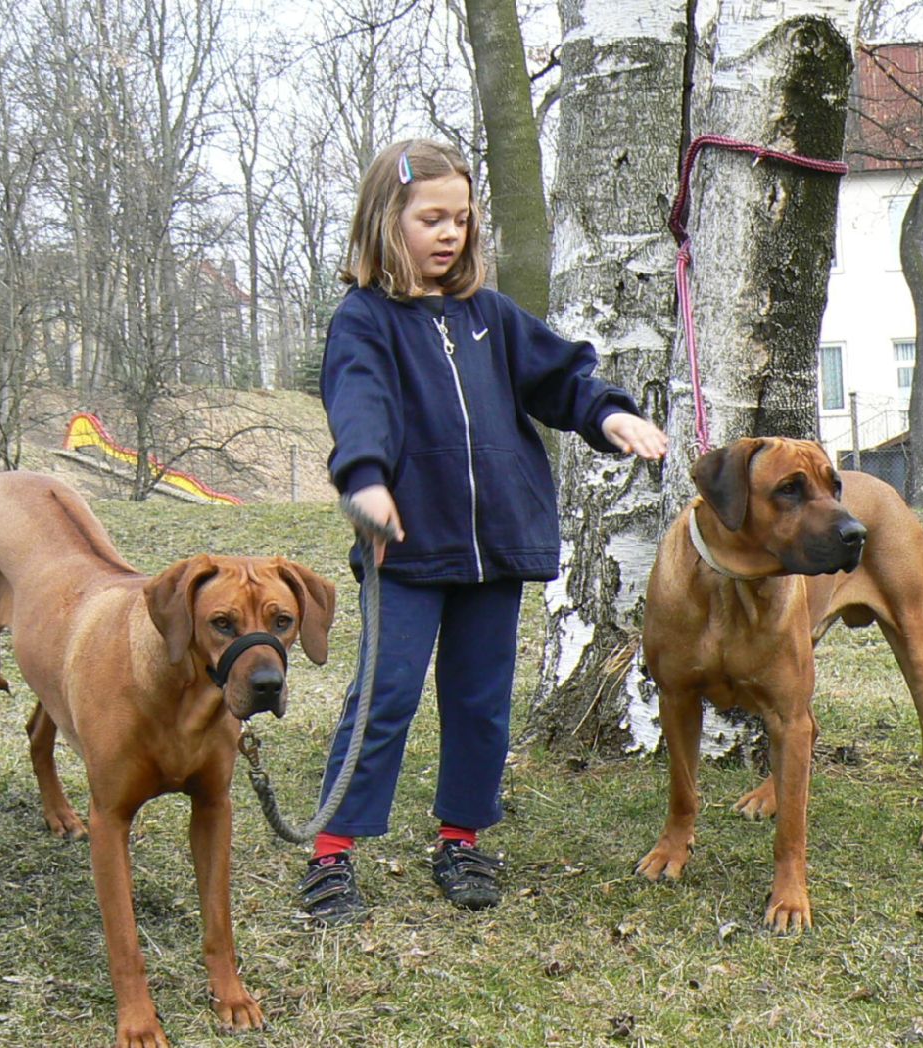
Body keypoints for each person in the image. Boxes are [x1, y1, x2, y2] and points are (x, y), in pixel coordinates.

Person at [298, 138, 667, 926]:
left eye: (461, 219)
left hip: (496, 546)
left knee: (481, 702)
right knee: (385, 696)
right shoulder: (365, 321)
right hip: (407, 548)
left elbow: (562, 378)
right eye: (430, 218)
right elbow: (358, 405)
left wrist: (610, 415)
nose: (449, 234)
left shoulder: (490, 318)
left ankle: (461, 841)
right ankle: (331, 852)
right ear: (385, 220)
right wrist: (365, 481)